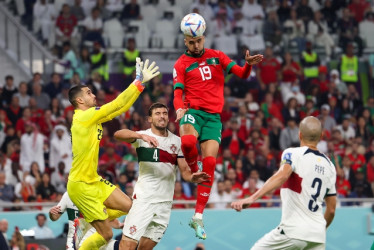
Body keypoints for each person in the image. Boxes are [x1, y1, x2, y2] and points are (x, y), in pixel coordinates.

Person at [173, 13, 263, 239]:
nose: (195, 45)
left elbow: (242, 74)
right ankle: (195, 173)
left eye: (199, 41)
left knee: (211, 162)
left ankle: (198, 217)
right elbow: (177, 93)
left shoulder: (217, 56)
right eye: (191, 42)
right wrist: (179, 109)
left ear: (204, 38)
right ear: (185, 41)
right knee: (187, 142)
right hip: (192, 112)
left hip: (213, 118)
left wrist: (248, 65)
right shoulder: (181, 63)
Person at [67, 57, 159, 250]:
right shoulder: (84, 117)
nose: (93, 95)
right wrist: (137, 82)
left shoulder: (90, 117)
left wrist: (140, 87)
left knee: (132, 208)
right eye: (89, 93)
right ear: (79, 100)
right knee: (107, 234)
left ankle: (85, 220)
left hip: (93, 180)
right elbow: (116, 103)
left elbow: (120, 108)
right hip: (81, 186)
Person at [113, 102, 210, 250]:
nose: (162, 116)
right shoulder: (142, 137)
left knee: (145, 248)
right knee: (127, 244)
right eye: (157, 114)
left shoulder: (177, 141)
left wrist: (192, 178)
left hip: (164, 204)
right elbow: (118, 134)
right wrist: (141, 136)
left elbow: (184, 171)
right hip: (144, 200)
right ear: (150, 119)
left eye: (164, 113)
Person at [232, 116, 337, 249]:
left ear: (300, 134)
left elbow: (282, 176)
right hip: (318, 236)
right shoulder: (330, 166)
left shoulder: (293, 153)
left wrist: (252, 198)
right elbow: (332, 210)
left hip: (293, 231)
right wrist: (318, 231)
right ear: (321, 136)